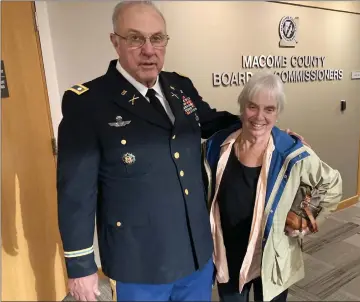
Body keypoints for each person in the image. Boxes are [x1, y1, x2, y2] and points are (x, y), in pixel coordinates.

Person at [56, 1, 307, 301]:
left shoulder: (179, 87)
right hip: (140, 264)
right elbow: (75, 194)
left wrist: (267, 130)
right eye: (136, 38)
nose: (149, 49)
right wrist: (80, 266)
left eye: (157, 38)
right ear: (115, 42)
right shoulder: (88, 104)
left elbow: (215, 121)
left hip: (195, 253)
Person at [202, 72, 343, 302]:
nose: (259, 116)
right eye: (252, 107)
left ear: (277, 113)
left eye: (269, 109)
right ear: (242, 107)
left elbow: (332, 183)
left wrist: (305, 218)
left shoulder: (290, 152)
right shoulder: (218, 145)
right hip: (229, 253)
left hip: (272, 255)